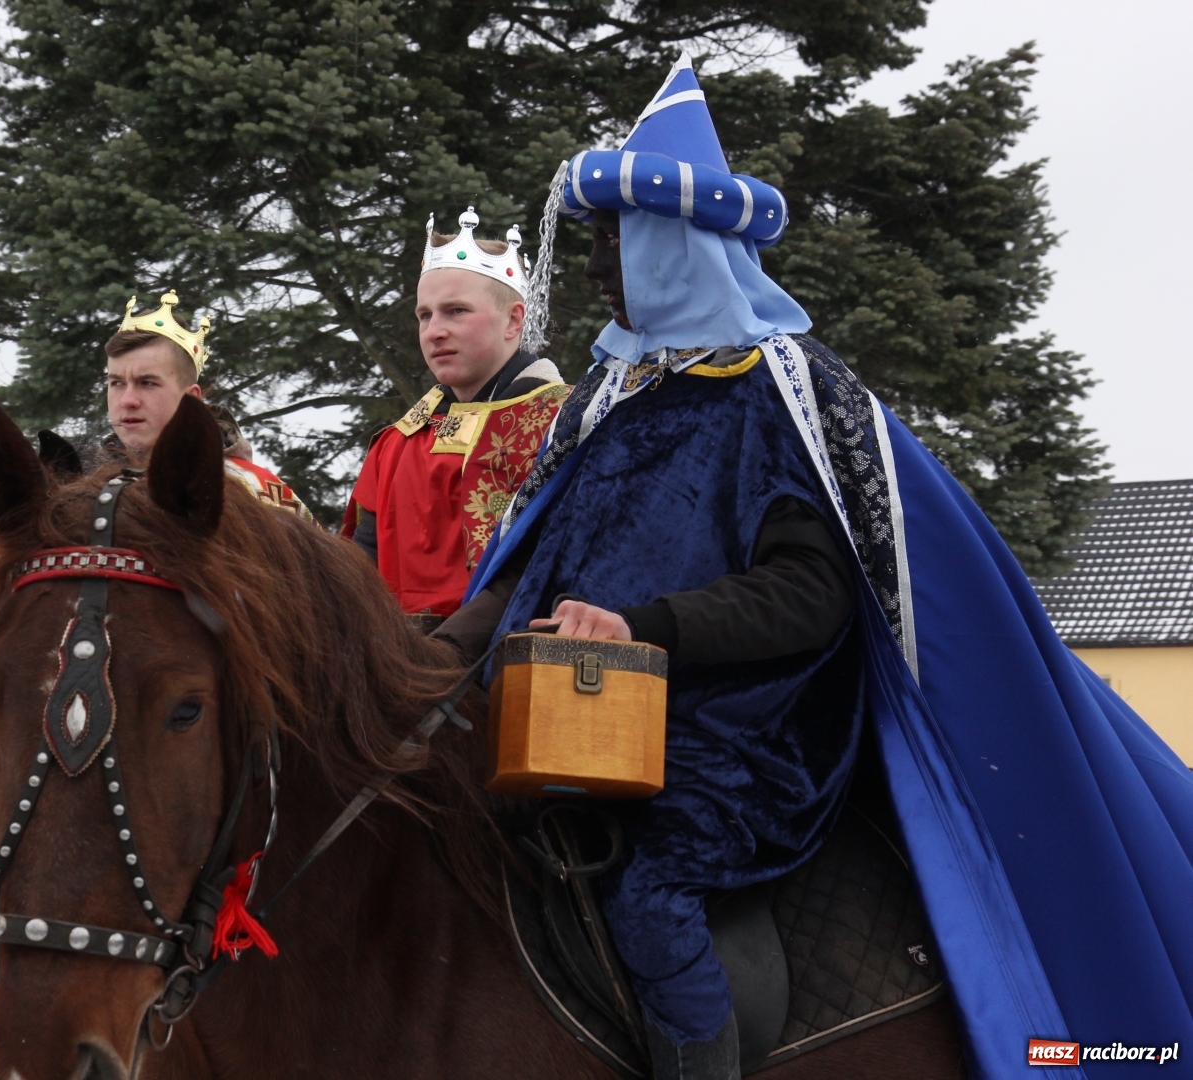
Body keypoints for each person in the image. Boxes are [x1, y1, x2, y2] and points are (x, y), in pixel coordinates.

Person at [452, 53, 1193, 1080]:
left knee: (649, 888)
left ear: (670, 246)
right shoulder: (605, 398)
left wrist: (645, 628)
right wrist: (419, 653)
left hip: (735, 732)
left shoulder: (787, 396)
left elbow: (812, 596)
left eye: (611, 244)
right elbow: (527, 573)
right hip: (571, 711)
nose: (590, 273)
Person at [341, 209, 567, 622]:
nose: (434, 331)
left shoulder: (565, 424)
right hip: (393, 665)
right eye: (424, 315)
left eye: (456, 311)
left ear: (513, 320)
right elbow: (360, 568)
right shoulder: (396, 442)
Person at [106, 291, 308, 517]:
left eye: (147, 383)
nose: (127, 400)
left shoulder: (257, 495)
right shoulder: (83, 491)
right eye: (116, 383)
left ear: (191, 399)